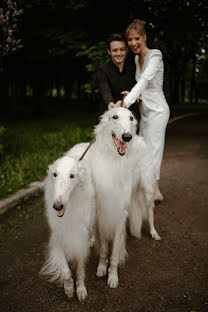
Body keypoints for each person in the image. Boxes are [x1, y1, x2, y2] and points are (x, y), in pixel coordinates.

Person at [122, 19, 170, 202]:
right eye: (130, 40)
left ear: (144, 37)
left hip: (158, 110)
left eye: (137, 38)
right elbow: (142, 87)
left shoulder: (155, 55)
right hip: (145, 111)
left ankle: (155, 191)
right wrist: (134, 95)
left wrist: (127, 101)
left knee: (153, 150)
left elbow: (145, 81)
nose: (133, 43)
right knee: (143, 149)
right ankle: (150, 187)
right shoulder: (136, 58)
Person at [96, 33, 136, 112]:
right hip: (108, 114)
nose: (119, 53)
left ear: (126, 50)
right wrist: (110, 103)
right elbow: (105, 89)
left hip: (129, 114)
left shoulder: (134, 68)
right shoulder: (102, 69)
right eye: (115, 50)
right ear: (109, 51)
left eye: (122, 49)